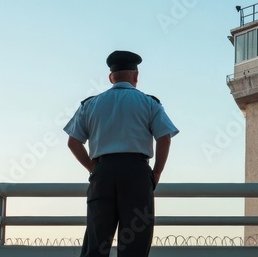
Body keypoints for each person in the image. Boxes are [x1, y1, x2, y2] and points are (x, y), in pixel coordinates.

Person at [64, 50, 179, 257]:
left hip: (103, 172)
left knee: (97, 241)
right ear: (136, 76)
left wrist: (93, 167)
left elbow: (73, 142)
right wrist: (157, 172)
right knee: (135, 242)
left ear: (111, 77)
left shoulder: (90, 104)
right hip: (136, 172)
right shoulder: (149, 103)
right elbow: (164, 137)